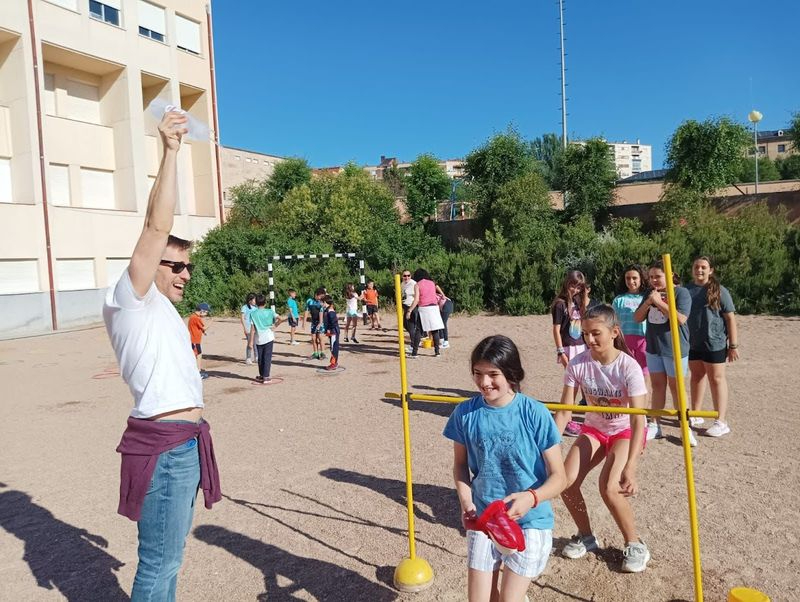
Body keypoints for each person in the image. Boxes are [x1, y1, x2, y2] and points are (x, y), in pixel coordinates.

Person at [103, 110, 220, 601]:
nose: (185, 274)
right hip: (166, 447)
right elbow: (156, 226)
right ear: (150, 264)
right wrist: (172, 151)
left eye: (188, 266)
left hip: (184, 443)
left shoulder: (166, 314)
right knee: (159, 564)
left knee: (169, 561)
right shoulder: (131, 298)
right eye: (176, 264)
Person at [443, 335, 566, 601]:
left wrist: (531, 498)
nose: (484, 382)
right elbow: (461, 465)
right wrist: (467, 502)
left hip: (530, 521)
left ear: (511, 373)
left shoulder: (535, 413)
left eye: (492, 374)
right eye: (477, 373)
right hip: (484, 518)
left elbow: (560, 477)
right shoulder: (464, 414)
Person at [554, 305, 651, 573]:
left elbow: (637, 418)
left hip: (624, 432)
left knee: (609, 487)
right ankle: (586, 536)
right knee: (565, 482)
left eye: (596, 333)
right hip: (594, 429)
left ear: (614, 332)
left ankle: (635, 544)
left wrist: (631, 466)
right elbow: (565, 411)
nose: (589, 340)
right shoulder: (578, 364)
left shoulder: (628, 366)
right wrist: (545, 446)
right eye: (585, 334)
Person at [634, 260, 697, 446]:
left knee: (677, 387)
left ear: (669, 275)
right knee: (657, 385)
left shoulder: (681, 293)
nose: (654, 280)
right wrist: (648, 302)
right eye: (651, 277)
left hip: (675, 348)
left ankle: (685, 427)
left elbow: (680, 318)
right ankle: (655, 424)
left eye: (658, 276)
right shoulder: (649, 293)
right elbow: (637, 318)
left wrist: (658, 302)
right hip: (654, 347)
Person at [687, 256, 739, 437]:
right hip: (693, 343)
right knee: (696, 376)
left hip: (715, 343)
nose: (699, 270)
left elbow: (730, 318)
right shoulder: (686, 290)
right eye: (696, 267)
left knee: (716, 379)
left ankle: (721, 421)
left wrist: (733, 345)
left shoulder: (720, 290)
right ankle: (696, 413)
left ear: (710, 270)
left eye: (703, 267)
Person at [552, 270, 596, 436]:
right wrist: (560, 351)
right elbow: (556, 330)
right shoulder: (560, 304)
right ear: (566, 284)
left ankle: (587, 416)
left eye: (579, 287)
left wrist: (584, 297)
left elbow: (587, 318)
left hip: (582, 346)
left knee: (586, 382)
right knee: (573, 385)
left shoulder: (579, 302)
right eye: (573, 286)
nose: (575, 290)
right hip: (569, 348)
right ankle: (568, 420)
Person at [612, 265, 649, 395]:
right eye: (628, 278)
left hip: (643, 339)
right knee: (625, 372)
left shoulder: (646, 298)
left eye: (634, 278)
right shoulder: (619, 299)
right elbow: (614, 320)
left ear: (641, 279)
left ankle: (642, 405)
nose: (631, 281)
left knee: (643, 372)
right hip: (624, 339)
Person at [406, 269, 444, 357]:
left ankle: (414, 353)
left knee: (419, 331)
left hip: (424, 308)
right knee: (435, 330)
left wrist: (409, 310)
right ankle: (437, 352)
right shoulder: (432, 283)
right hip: (434, 308)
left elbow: (416, 300)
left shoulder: (417, 285)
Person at [251, 294, 281, 384]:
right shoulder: (270, 311)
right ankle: (266, 376)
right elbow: (280, 318)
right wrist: (275, 325)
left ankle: (262, 375)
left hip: (258, 338)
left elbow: (253, 329)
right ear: (265, 302)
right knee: (267, 357)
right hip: (268, 336)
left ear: (256, 302)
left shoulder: (253, 314)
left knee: (260, 357)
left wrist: (250, 341)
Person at [302, 288, 325, 360]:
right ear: (316, 295)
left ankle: (322, 353)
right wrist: (304, 322)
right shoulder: (309, 301)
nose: (321, 298)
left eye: (322, 297)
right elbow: (306, 311)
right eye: (320, 296)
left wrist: (321, 323)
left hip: (321, 322)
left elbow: (322, 312)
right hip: (313, 322)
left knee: (320, 338)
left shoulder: (321, 302)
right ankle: (315, 353)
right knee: (313, 338)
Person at [188, 302, 210, 379]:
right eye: (206, 312)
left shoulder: (192, 316)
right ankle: (197, 373)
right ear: (202, 311)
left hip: (194, 340)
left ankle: (196, 371)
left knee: (197, 355)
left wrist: (203, 332)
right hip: (195, 340)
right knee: (197, 356)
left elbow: (198, 328)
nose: (206, 314)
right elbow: (204, 327)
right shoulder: (196, 318)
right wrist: (211, 322)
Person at [322, 295, 340, 371]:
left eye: (322, 302)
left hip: (334, 332)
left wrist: (329, 329)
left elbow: (334, 322)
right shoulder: (327, 310)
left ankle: (334, 364)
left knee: (334, 348)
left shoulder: (330, 311)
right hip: (332, 332)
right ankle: (334, 363)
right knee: (332, 347)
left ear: (325, 302)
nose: (321, 304)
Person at [400, 270, 417, 351]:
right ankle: (416, 338)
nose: (406, 277)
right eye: (405, 275)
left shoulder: (413, 283)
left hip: (411, 307)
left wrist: (411, 309)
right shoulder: (402, 284)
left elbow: (417, 297)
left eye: (408, 275)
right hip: (405, 306)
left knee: (410, 326)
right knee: (405, 325)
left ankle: (413, 345)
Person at [240, 293, 258, 364]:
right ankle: (248, 358)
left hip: (255, 328)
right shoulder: (245, 307)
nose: (255, 301)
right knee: (250, 343)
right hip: (248, 328)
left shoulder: (256, 308)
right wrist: (245, 328)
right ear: (250, 300)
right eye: (254, 299)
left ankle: (256, 357)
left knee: (255, 343)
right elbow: (242, 318)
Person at [436, 284, 454, 349]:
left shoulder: (434, 295)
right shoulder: (436, 295)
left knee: (443, 323)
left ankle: (446, 342)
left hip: (446, 305)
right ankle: (442, 340)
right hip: (446, 305)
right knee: (440, 323)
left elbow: (436, 285)